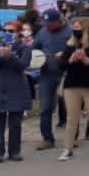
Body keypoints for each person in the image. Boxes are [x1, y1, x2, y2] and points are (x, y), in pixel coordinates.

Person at [58, 17, 89, 161]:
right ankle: (68, 148)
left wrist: (86, 60)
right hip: (72, 85)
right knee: (71, 118)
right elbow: (61, 65)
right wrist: (70, 60)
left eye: (79, 27)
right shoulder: (70, 44)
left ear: (86, 28)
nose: (76, 30)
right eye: (74, 28)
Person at [0, 31, 32, 163]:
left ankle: (14, 152)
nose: (10, 34)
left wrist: (10, 55)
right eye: (7, 31)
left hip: (17, 87)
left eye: (12, 31)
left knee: (15, 124)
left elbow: (22, 65)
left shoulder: (25, 48)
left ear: (18, 34)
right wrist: (1, 56)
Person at [33, 9, 72, 150]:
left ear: (59, 20)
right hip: (46, 74)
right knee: (45, 108)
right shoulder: (42, 32)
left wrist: (66, 54)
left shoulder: (70, 31)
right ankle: (47, 139)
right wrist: (40, 56)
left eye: (51, 23)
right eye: (46, 23)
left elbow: (79, 49)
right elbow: (33, 49)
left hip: (66, 74)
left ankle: (71, 137)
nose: (48, 26)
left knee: (69, 107)